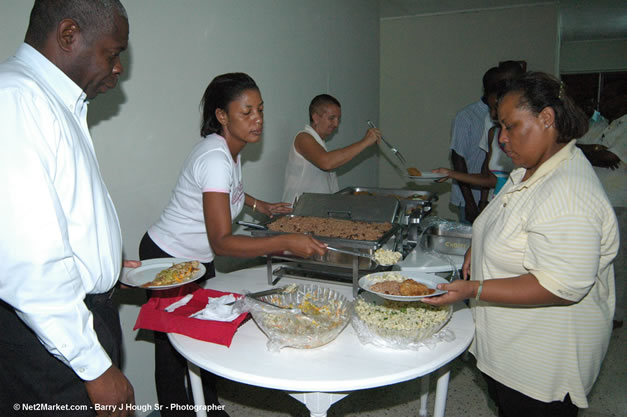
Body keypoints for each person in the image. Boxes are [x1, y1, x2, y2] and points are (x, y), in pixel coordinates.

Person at [423, 72, 619, 417]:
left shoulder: (568, 191)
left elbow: (559, 287)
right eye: (499, 126)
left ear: (547, 118)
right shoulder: (530, 170)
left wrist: (473, 289)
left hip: (541, 365)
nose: (501, 139)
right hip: (510, 349)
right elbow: (509, 219)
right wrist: (478, 246)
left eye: (511, 126)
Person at [139, 72, 328, 416]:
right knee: (172, 345)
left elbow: (225, 194)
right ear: (222, 116)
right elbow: (223, 242)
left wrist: (260, 206)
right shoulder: (214, 158)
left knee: (203, 330)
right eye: (247, 112)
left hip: (195, 257)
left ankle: (209, 408)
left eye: (260, 110)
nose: (258, 120)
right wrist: (283, 242)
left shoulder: (229, 150)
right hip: (167, 255)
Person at [0, 1, 136, 416]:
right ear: (68, 35)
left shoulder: (49, 101)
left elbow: (61, 216)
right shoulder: (16, 100)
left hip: (74, 322)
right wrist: (94, 368)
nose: (118, 69)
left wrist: (107, 267)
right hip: (49, 345)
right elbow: (28, 262)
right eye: (112, 54)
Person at [435, 63, 524, 207]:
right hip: (496, 204)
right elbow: (493, 179)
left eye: (496, 109)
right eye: (491, 109)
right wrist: (450, 173)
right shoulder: (492, 132)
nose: (492, 114)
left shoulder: (525, 139)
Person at [576, 98, 626, 329]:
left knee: (616, 261)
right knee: (592, 258)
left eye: (609, 94)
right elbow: (572, 148)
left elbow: (610, 158)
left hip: (618, 202)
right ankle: (595, 307)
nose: (599, 100)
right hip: (592, 202)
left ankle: (616, 314)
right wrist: (595, 150)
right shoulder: (599, 125)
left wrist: (594, 152)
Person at [282, 94, 381, 203]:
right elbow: (326, 162)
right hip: (297, 214)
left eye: (338, 119)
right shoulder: (303, 137)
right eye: (331, 118)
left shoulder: (320, 144)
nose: (336, 124)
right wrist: (365, 142)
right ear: (315, 117)